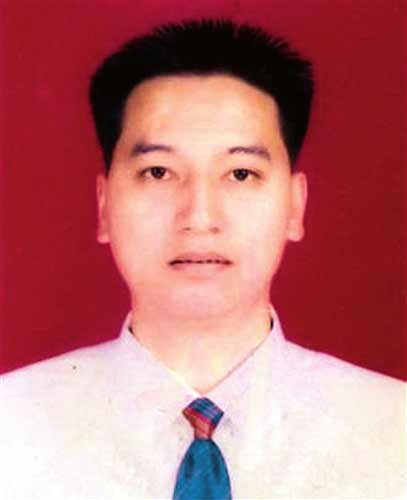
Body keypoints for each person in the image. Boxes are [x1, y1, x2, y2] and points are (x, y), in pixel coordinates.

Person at [1, 19, 405, 500]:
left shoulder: (393, 433)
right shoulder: (12, 429)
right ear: (104, 205)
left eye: (240, 173)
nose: (199, 216)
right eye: (158, 172)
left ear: (295, 206)